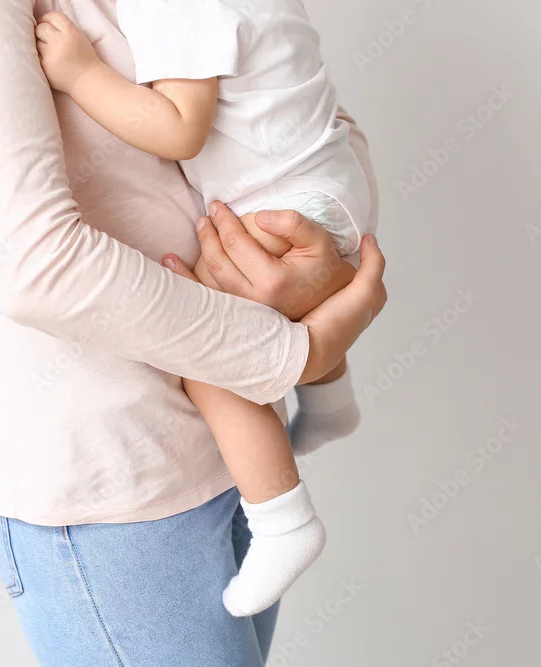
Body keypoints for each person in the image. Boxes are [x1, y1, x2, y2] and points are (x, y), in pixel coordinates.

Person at [0, 0, 385, 665]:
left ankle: (303, 466)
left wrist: (318, 260)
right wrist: (296, 351)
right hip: (120, 488)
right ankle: (295, 497)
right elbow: (34, 266)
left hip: (235, 448)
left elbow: (297, 108)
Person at [35, 1, 378, 617]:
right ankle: (333, 405)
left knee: (209, 355)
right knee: (297, 307)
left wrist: (81, 73)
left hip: (286, 203)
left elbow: (179, 128)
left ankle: (283, 521)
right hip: (330, 177)